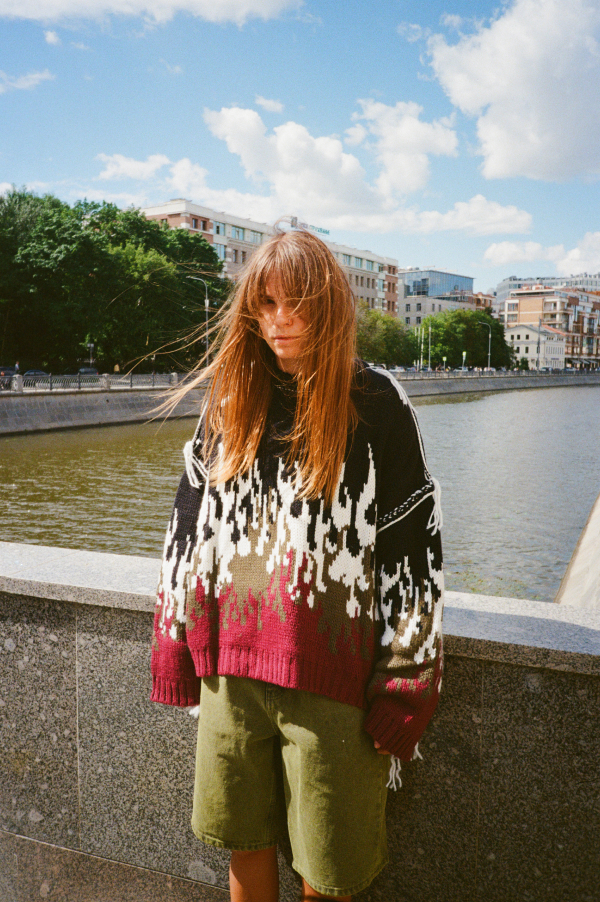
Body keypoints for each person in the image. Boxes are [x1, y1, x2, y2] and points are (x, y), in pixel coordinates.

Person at [150, 226, 444, 901]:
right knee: (243, 845)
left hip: (333, 681)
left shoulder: (378, 403)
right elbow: (186, 528)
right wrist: (173, 640)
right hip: (229, 671)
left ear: (330, 307)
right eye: (266, 303)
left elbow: (415, 553)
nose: (279, 320)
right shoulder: (230, 398)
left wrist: (407, 682)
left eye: (298, 304)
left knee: (327, 870)